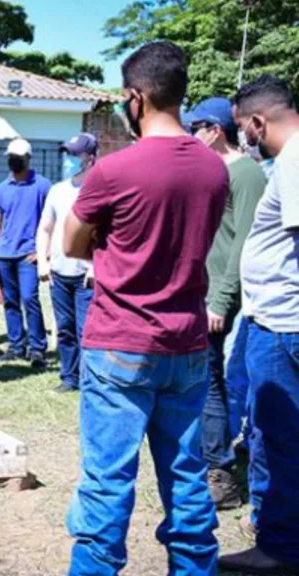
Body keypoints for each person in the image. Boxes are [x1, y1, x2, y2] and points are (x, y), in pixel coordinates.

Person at [63, 41, 226, 576]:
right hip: (187, 343)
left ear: (135, 97)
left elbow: (71, 244)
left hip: (121, 343)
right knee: (187, 476)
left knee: (108, 480)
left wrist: (112, 246)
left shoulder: (114, 171)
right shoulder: (214, 169)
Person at [218, 75, 299, 575]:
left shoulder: (291, 163)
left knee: (279, 434)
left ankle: (282, 548)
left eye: (241, 128)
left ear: (255, 122)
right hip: (279, 321)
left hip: (282, 324)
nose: (244, 137)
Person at [182, 97, 268, 511]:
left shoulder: (247, 173)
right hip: (198, 290)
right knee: (200, 379)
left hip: (222, 298)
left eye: (195, 128)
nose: (190, 136)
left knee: (213, 381)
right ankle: (203, 460)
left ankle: (221, 473)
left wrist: (220, 299)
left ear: (215, 130)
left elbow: (244, 244)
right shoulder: (211, 171)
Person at [36, 134, 98, 393]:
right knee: (64, 329)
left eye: (75, 154)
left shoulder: (99, 191)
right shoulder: (57, 191)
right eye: (68, 154)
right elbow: (45, 229)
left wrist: (96, 266)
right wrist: (43, 262)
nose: (69, 159)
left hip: (87, 276)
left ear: (91, 158)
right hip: (60, 273)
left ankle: (89, 381)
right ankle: (68, 377)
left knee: (87, 332)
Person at [0, 138, 50, 368]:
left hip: (28, 255)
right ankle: (16, 345)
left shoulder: (43, 186)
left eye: (19, 158)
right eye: (12, 157)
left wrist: (42, 252)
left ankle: (37, 348)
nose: (14, 161)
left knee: (29, 298)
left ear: (28, 159)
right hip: (5, 254)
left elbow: (51, 222)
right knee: (10, 302)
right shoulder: (0, 190)